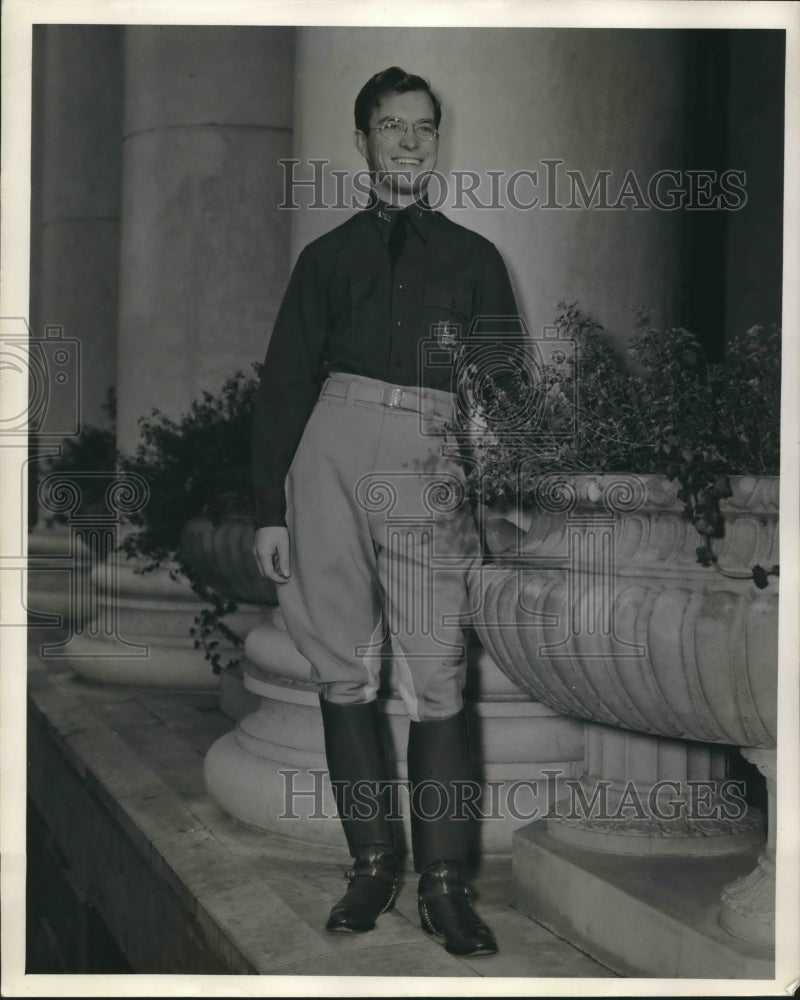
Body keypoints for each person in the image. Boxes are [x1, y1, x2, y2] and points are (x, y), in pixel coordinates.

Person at [252, 66, 521, 958]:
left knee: (438, 673)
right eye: (391, 127)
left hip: (428, 452)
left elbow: (507, 389)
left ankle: (446, 883)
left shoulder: (475, 259)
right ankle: (372, 865)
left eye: (423, 128)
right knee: (341, 672)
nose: (409, 142)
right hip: (329, 443)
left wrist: (504, 496)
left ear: (436, 141)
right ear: (362, 141)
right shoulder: (325, 260)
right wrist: (270, 511)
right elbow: (284, 384)